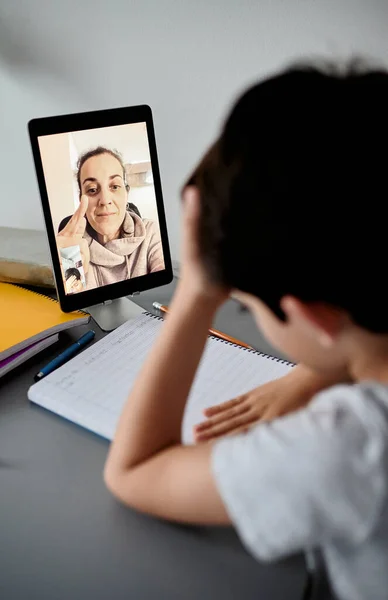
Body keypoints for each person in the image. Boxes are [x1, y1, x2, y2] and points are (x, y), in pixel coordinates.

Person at [104, 63, 388, 600]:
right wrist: (321, 370)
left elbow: (134, 471)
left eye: (245, 301)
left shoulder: (348, 448)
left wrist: (196, 292)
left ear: (312, 315)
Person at [56, 147, 165, 290]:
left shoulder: (151, 231)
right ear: (81, 200)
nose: (105, 200)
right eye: (92, 190)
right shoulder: (73, 249)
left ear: (126, 193)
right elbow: (76, 306)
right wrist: (68, 267)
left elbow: (165, 289)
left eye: (114, 186)